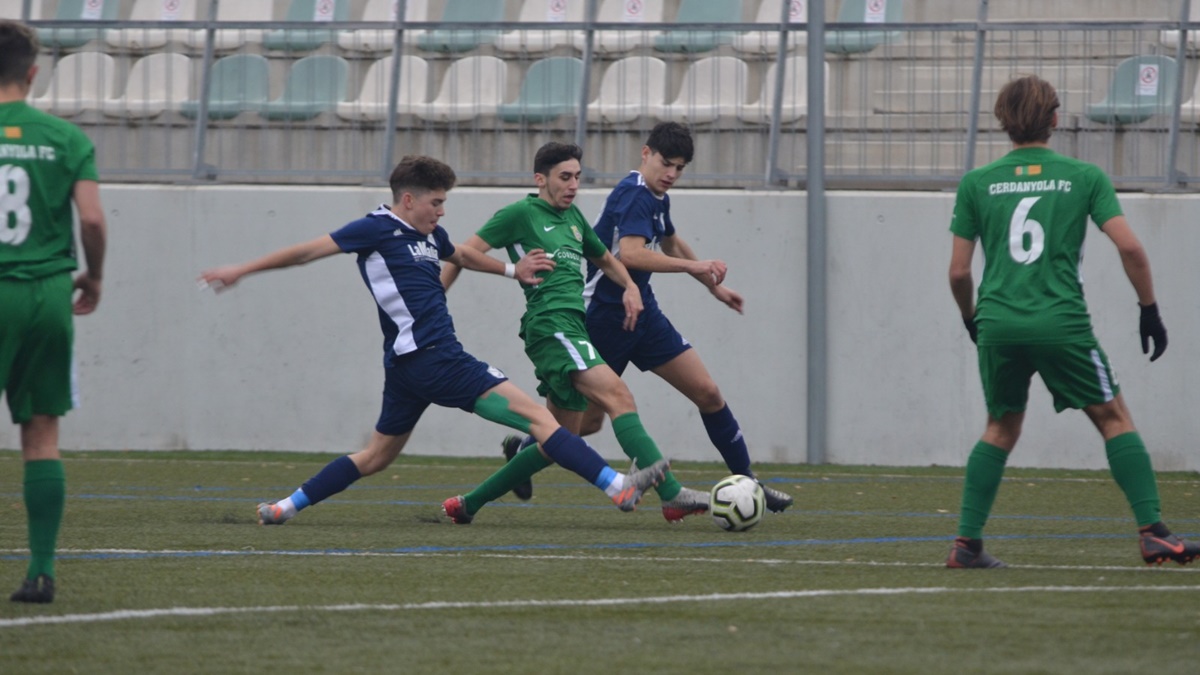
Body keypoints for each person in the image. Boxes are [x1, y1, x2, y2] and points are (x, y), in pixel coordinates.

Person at [197, 156, 667, 527]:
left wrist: (511, 270)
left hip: (405, 368)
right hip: (436, 357)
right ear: (407, 199)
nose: (442, 212)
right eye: (436, 203)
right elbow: (306, 252)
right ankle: (617, 486)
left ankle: (286, 506)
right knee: (538, 419)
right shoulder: (375, 229)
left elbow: (460, 253)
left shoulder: (429, 234)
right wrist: (242, 269)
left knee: (376, 456)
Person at [946, 75, 1197, 568]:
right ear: (1056, 119)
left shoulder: (976, 183)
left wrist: (971, 319)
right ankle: (1154, 533)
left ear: (1003, 123)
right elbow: (1129, 246)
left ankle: (966, 544)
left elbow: (958, 272)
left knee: (999, 426)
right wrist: (1149, 309)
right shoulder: (1083, 177)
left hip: (998, 323)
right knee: (1113, 418)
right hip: (1061, 322)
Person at [501, 122, 792, 513]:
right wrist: (696, 268)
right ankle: (522, 449)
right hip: (602, 317)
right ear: (645, 154)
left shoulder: (657, 196)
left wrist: (714, 286)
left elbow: (670, 239)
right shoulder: (634, 194)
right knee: (582, 427)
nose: (671, 174)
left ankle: (750, 484)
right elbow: (632, 254)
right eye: (666, 163)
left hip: (643, 313)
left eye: (680, 168)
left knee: (707, 392)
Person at [440, 142, 706, 523]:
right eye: (565, 177)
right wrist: (439, 295)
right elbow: (462, 252)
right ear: (540, 179)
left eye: (578, 177)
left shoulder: (575, 219)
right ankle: (672, 493)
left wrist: (630, 287)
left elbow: (607, 259)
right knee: (619, 395)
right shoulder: (520, 214)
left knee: (556, 440)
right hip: (550, 325)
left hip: (571, 326)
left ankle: (467, 505)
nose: (573, 185)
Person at [1, 21, 107, 604]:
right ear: (33, 72)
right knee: (41, 435)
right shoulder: (65, 139)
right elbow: (91, 219)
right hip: (45, 292)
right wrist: (93, 275)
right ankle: (40, 572)